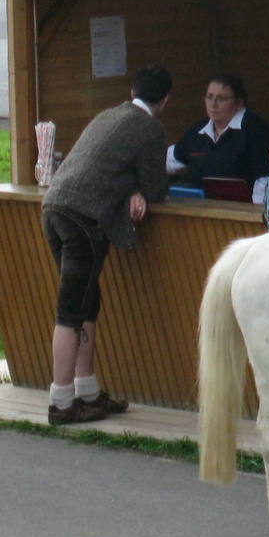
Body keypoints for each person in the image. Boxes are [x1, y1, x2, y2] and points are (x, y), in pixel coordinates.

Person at [41, 64, 172, 425]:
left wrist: (130, 188)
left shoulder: (108, 115)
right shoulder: (149, 128)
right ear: (165, 100)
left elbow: (105, 166)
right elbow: (157, 187)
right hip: (84, 218)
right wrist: (140, 190)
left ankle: (87, 391)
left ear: (132, 93)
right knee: (71, 310)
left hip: (53, 208)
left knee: (86, 303)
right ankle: (62, 402)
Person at [168, 73, 269, 187]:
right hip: (201, 203)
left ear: (238, 102)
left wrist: (256, 205)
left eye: (221, 99)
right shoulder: (197, 132)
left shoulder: (255, 130)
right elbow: (168, 160)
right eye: (209, 97)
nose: (213, 104)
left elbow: (265, 178)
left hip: (243, 204)